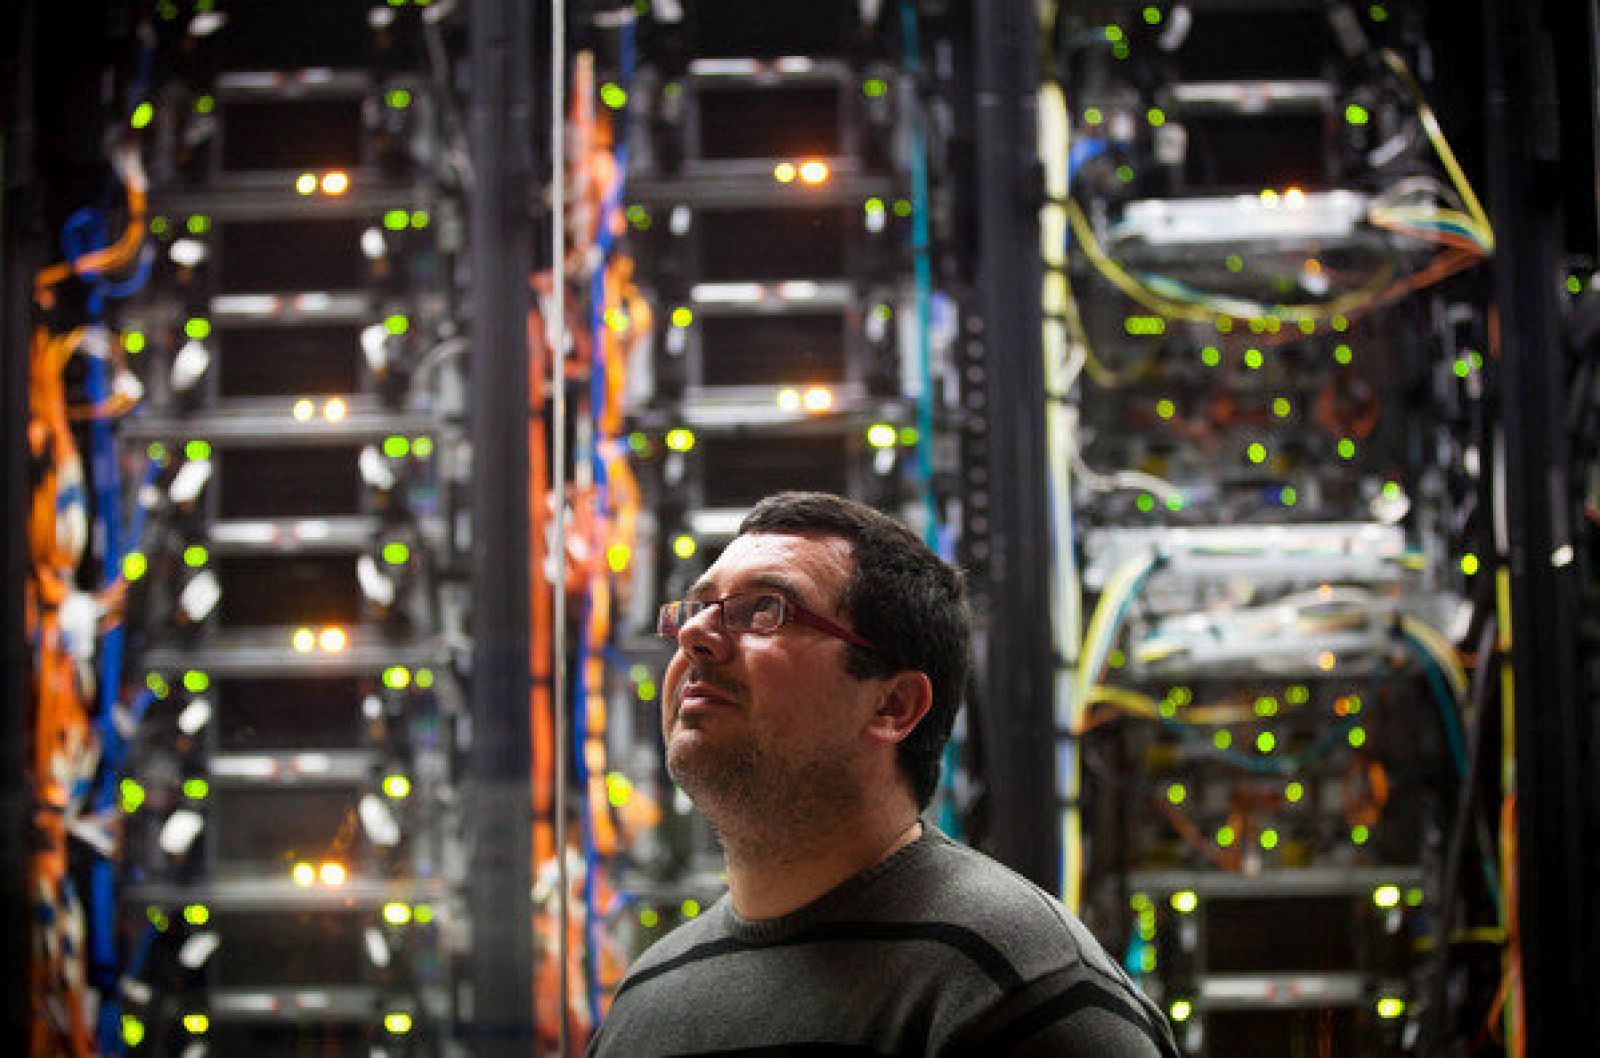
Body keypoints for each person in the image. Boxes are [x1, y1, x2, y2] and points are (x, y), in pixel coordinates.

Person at [589, 492, 1177, 1056]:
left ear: (893, 706)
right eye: (697, 608)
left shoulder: (1016, 987)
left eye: (764, 610)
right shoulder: (645, 999)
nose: (694, 635)